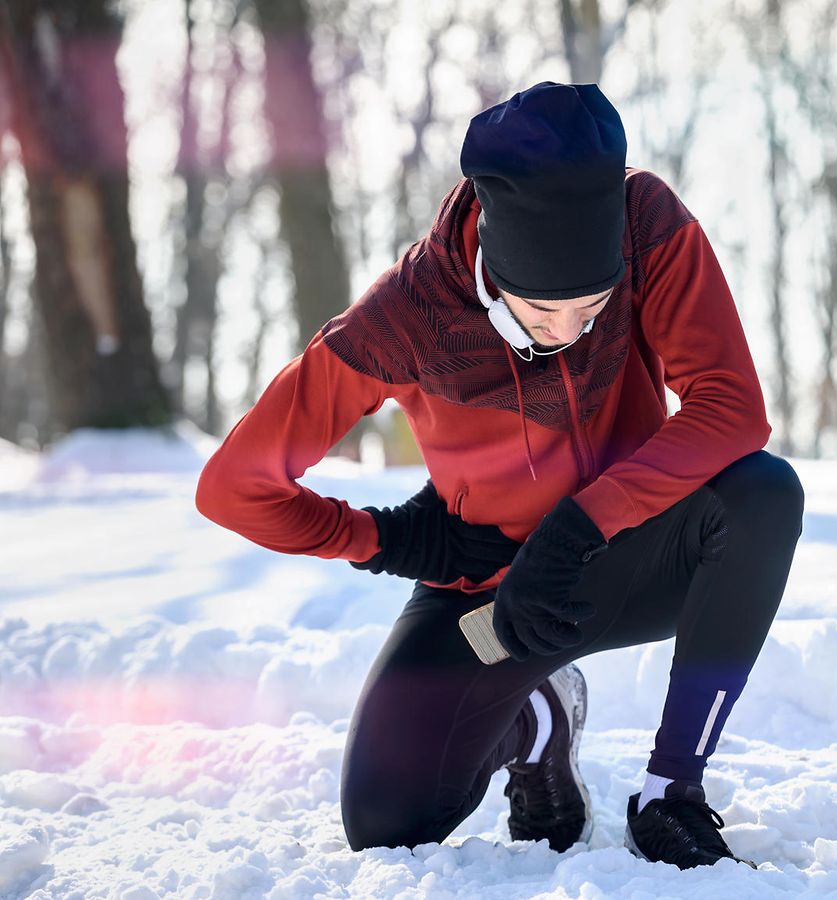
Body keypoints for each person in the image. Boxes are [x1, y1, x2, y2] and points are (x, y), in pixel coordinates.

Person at [195, 81, 803, 870]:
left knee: (763, 493)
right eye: (545, 314)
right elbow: (234, 486)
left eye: (593, 309)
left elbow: (731, 408)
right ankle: (536, 722)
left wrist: (578, 527)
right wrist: (391, 539)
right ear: (490, 266)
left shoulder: (647, 222)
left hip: (626, 555)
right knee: (387, 825)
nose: (571, 332)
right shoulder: (406, 315)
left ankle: (670, 792)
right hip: (493, 598)